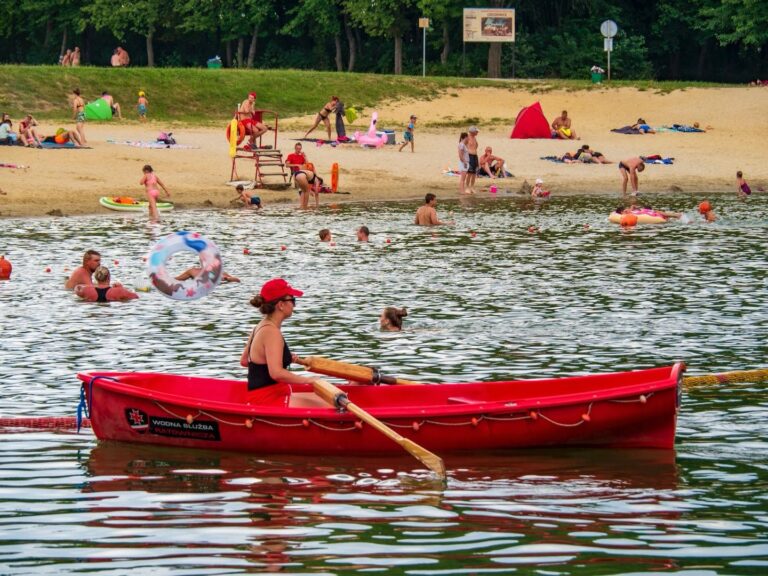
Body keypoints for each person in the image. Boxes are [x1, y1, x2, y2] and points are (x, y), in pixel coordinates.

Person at [240, 278, 319, 405]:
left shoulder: (259, 326)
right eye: (292, 300)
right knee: (326, 405)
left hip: (262, 395)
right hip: (269, 398)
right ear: (281, 305)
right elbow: (276, 373)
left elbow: (245, 361)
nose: (294, 305)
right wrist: (309, 380)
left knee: (318, 400)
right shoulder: (272, 332)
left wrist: (282, 357)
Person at [466, 126, 480, 194]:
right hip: (469, 156)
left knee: (474, 173)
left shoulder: (474, 138)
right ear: (472, 132)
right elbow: (462, 147)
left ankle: (472, 187)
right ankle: (467, 187)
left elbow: (476, 146)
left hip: (475, 156)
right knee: (469, 173)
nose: (477, 132)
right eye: (476, 131)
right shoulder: (467, 138)